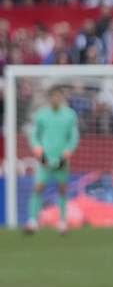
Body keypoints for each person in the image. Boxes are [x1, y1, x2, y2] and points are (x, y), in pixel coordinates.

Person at [27, 86, 79, 235]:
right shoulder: (41, 115)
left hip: (62, 160)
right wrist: (40, 153)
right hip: (45, 160)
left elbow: (73, 137)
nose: (56, 99)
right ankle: (33, 221)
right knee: (38, 187)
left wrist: (66, 153)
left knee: (62, 188)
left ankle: (62, 222)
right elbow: (33, 136)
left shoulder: (70, 115)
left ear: (62, 98)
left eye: (59, 96)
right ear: (49, 98)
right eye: (53, 96)